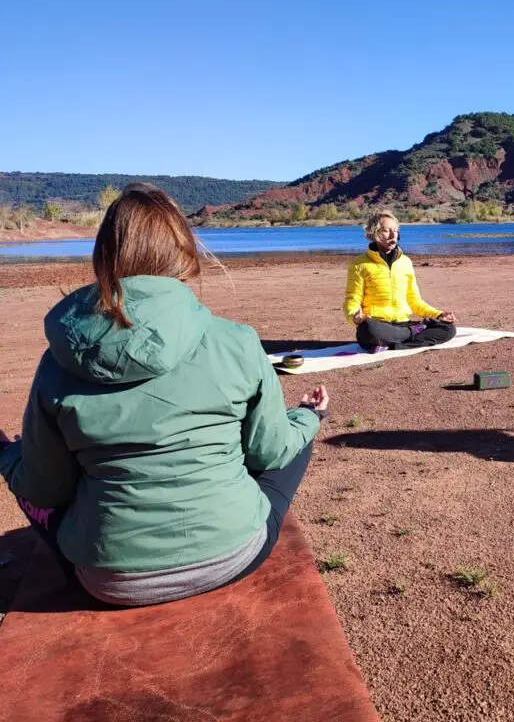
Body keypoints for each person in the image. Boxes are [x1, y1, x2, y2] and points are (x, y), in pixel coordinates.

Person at [0, 183, 328, 607]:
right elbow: (271, 452)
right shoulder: (237, 342)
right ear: (184, 252)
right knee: (292, 439)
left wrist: (6, 455)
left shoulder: (58, 361)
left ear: (105, 254)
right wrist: (308, 416)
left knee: (35, 464)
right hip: (231, 555)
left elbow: (44, 487)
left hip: (109, 582)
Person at [344, 210, 457, 352]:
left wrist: (439, 315)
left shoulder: (405, 262)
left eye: (396, 231)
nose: (393, 236)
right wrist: (354, 317)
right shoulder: (358, 263)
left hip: (403, 324)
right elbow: (352, 299)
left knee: (448, 329)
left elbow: (415, 301)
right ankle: (410, 336)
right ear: (374, 233)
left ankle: (393, 343)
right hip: (378, 325)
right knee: (368, 329)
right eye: (386, 231)